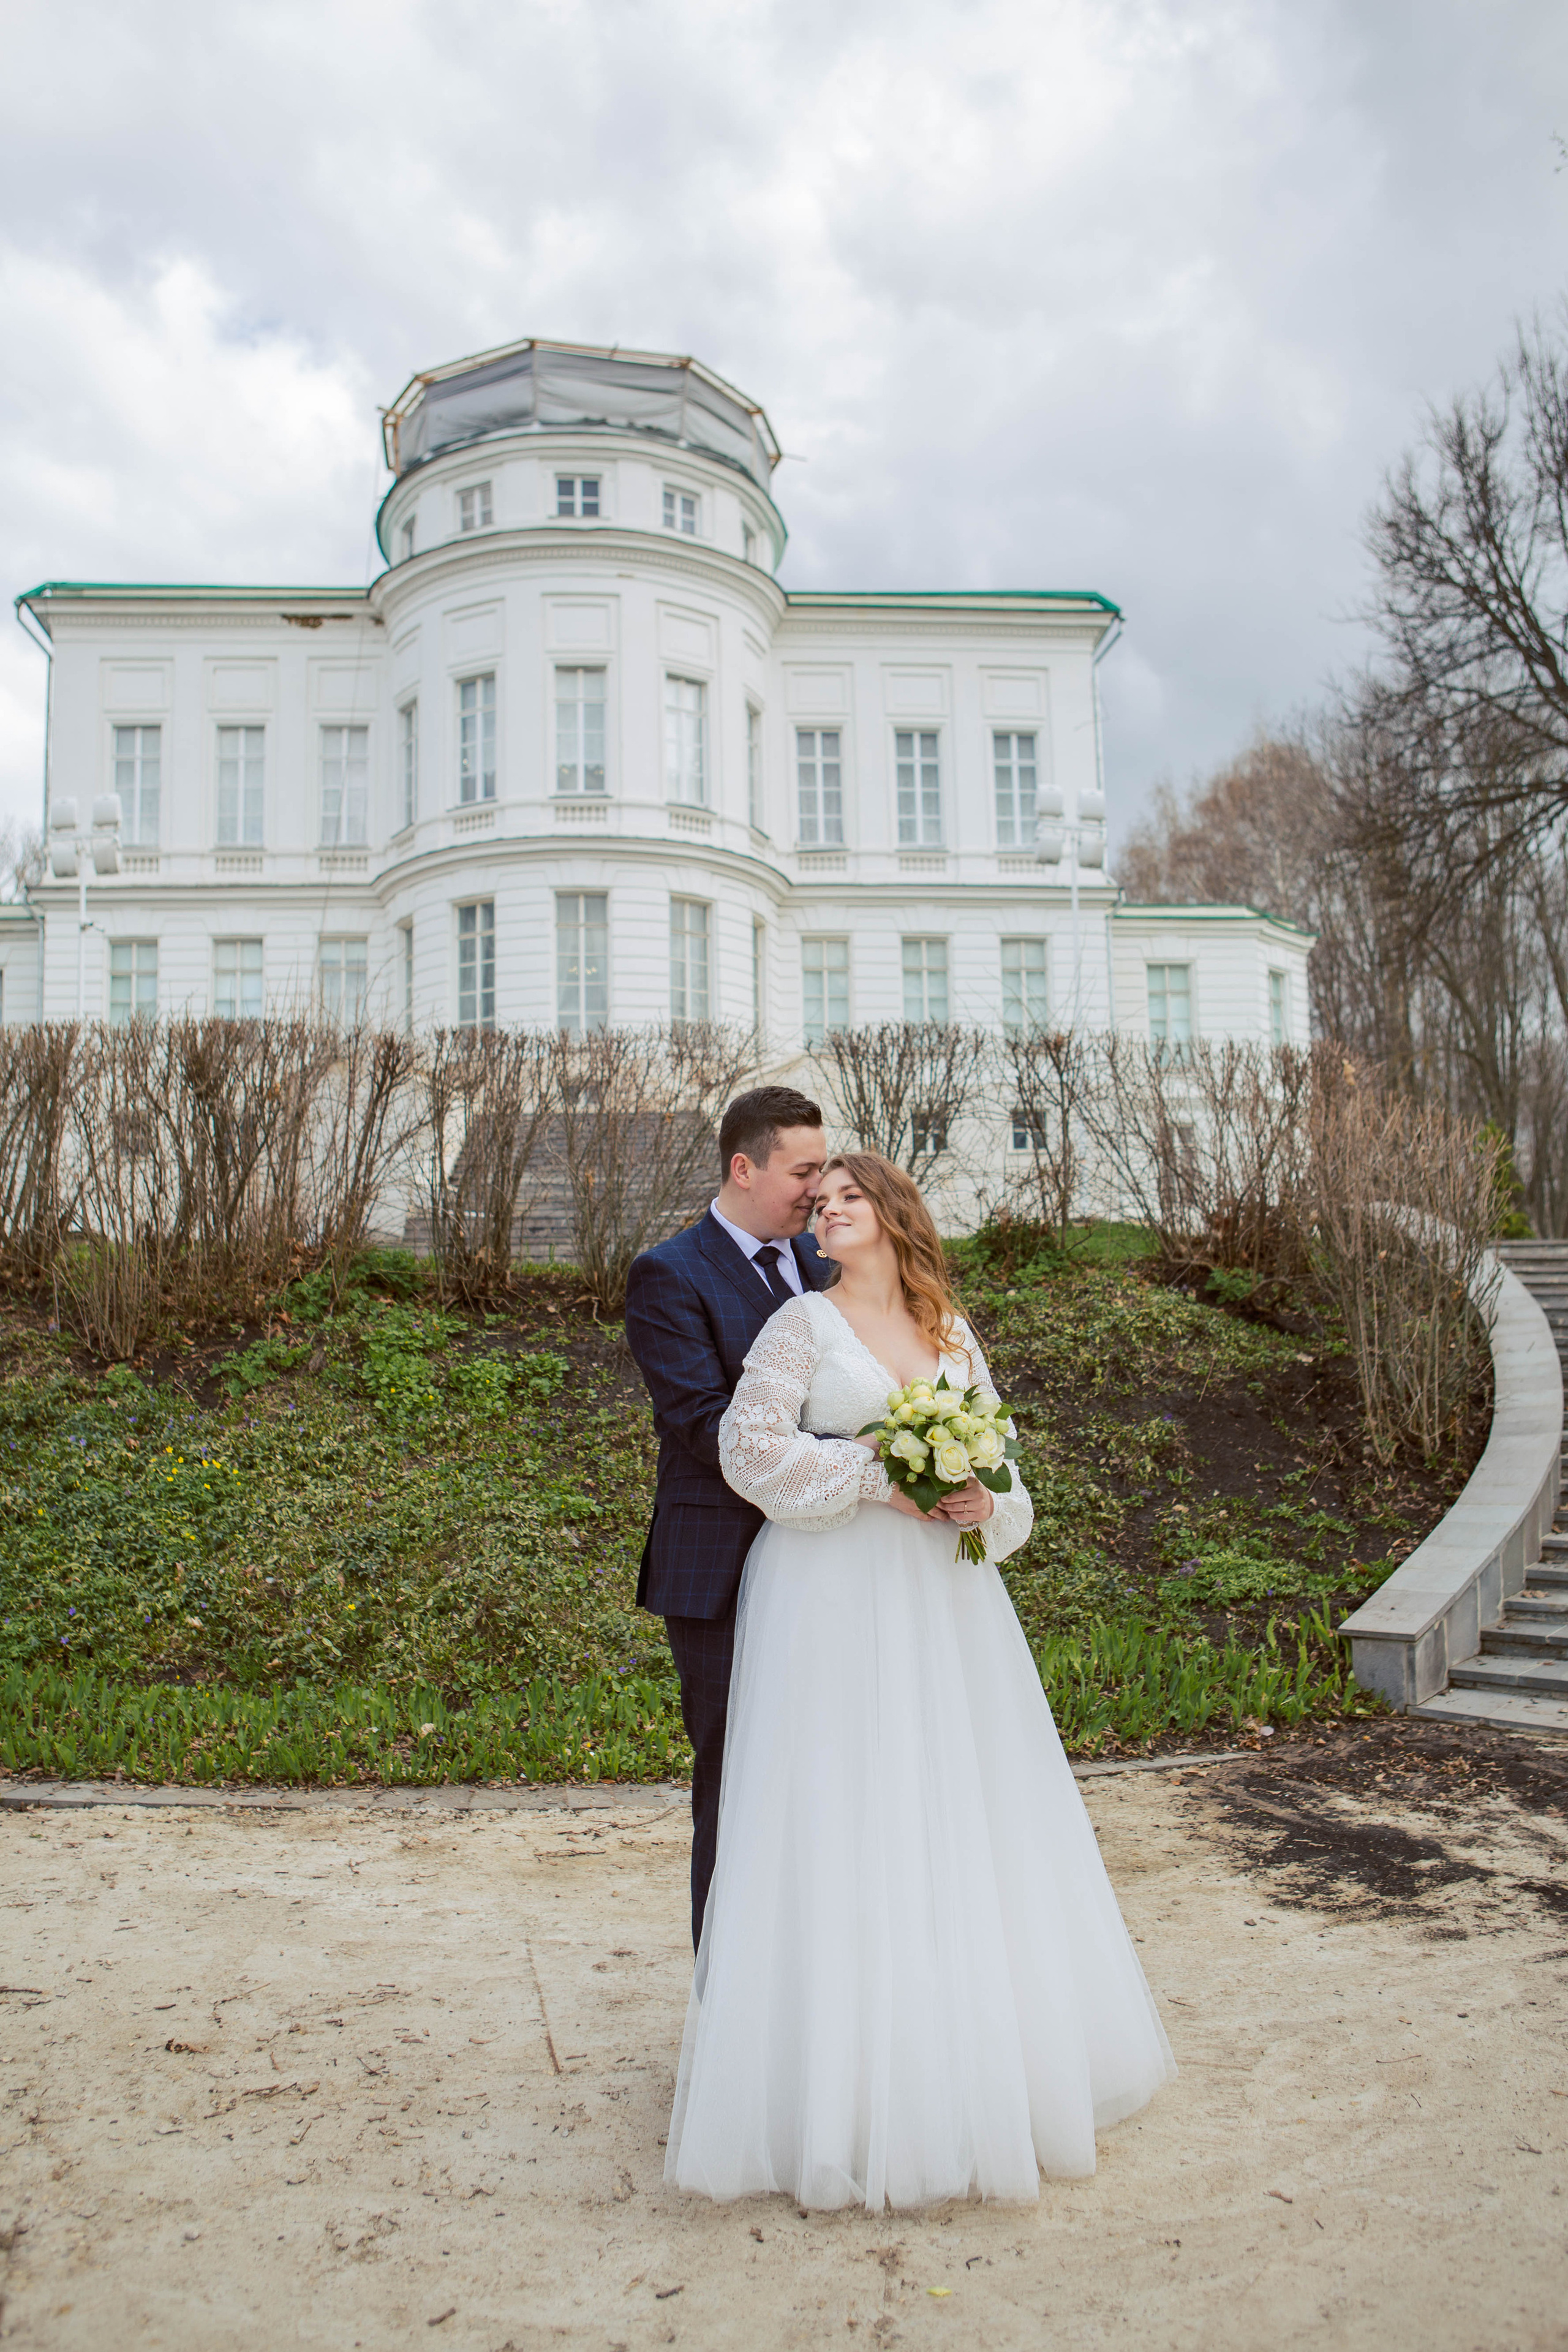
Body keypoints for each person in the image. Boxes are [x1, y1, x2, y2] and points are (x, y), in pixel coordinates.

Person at [663, 1152, 1176, 2212]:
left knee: (956, 1808)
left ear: (893, 1217)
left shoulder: (952, 1332)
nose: (827, 1212)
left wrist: (984, 1506)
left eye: (848, 1200)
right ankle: (834, 2091)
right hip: (829, 1594)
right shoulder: (799, 1325)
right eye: (821, 1202)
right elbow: (747, 1452)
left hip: (946, 1605)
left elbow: (1004, 1471)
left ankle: (964, 2068)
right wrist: (881, 1480)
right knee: (841, 1810)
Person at [624, 1086, 845, 1952]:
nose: (819, 1190)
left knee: (824, 1783)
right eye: (804, 1171)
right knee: (738, 1784)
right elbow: (707, 1426)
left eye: (825, 1169)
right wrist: (866, 1468)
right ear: (744, 1167)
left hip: (834, 1567)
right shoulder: (670, 1274)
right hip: (723, 1571)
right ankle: (728, 2009)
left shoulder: (827, 1267)